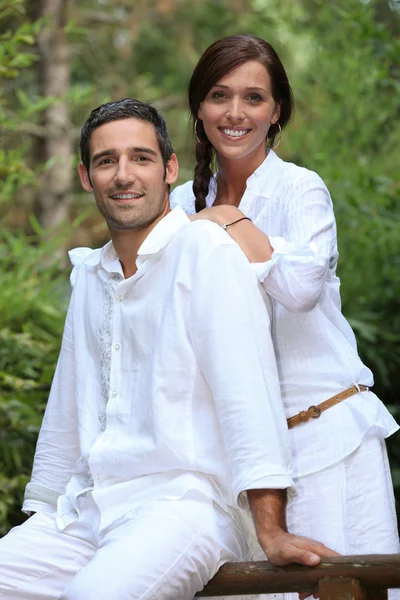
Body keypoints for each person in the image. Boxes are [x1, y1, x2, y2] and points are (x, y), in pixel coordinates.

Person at [0, 98, 334, 600]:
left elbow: (249, 398)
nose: (123, 175)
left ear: (169, 169)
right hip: (88, 511)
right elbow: (66, 411)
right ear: (87, 177)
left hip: (184, 508)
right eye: (106, 161)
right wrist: (40, 520)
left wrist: (270, 530)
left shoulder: (206, 252)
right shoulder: (91, 274)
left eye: (141, 157)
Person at [171, 33, 400, 580]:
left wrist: (227, 219)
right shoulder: (180, 203)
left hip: (326, 435)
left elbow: (300, 290)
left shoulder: (302, 190)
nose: (234, 113)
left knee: (347, 585)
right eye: (219, 96)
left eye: (253, 98)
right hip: (241, 461)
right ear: (199, 108)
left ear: (277, 112)